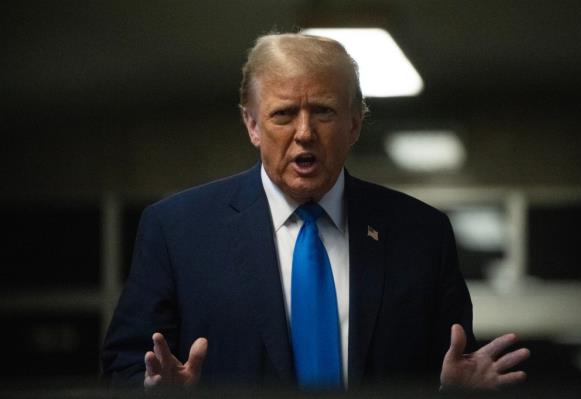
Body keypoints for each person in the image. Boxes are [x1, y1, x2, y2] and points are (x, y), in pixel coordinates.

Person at [101, 32, 529, 391]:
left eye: (323, 111)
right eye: (283, 114)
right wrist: (151, 391)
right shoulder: (177, 229)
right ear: (252, 124)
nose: (304, 133)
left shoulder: (422, 233)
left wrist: (452, 394)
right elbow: (123, 365)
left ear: (355, 124)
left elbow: (455, 364)